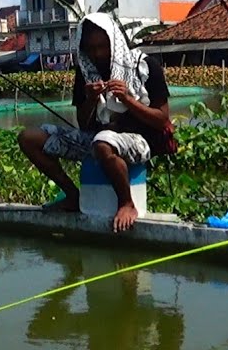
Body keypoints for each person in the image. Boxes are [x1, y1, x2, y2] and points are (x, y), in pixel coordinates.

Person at [17, 13, 171, 232]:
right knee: (30, 138)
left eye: (102, 46)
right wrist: (90, 100)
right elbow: (83, 125)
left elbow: (162, 120)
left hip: (141, 141)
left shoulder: (145, 66)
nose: (98, 53)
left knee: (103, 142)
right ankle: (72, 195)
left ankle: (127, 203)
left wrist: (128, 99)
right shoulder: (87, 71)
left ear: (114, 41)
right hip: (98, 140)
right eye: (91, 47)